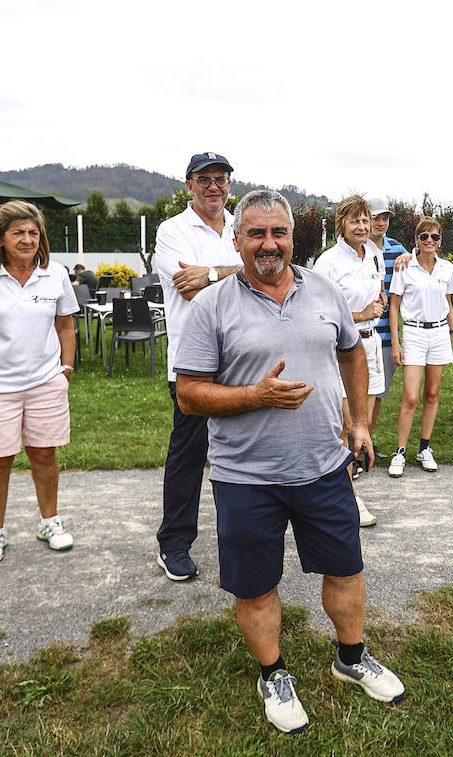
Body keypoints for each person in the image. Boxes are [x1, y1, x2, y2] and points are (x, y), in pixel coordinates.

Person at [174, 189, 405, 735]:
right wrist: (255, 396)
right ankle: (273, 673)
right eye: (256, 234)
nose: (269, 244)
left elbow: (351, 350)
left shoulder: (322, 290)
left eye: (278, 233)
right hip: (245, 475)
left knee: (346, 569)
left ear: (292, 237)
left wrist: (361, 424)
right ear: (238, 240)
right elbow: (189, 394)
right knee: (255, 585)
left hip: (324, 464)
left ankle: (351, 657)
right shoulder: (212, 306)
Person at [0, 200, 80, 567]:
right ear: (1, 237)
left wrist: (65, 369)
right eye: (18, 232)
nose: (27, 239)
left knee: (44, 454)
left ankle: (50, 522)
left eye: (33, 232)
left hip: (44, 382)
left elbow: (66, 324)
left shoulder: (55, 273)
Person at [153, 151, 244, 581]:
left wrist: (211, 272)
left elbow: (267, 271)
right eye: (203, 179)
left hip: (242, 359)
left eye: (220, 178)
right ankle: (173, 544)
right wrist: (237, 272)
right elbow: (192, 292)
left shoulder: (240, 227)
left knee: (246, 450)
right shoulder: (172, 231)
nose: (213, 186)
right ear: (188, 185)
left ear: (229, 183)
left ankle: (244, 535)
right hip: (194, 363)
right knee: (189, 455)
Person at [312, 195, 387, 526]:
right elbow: (319, 313)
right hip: (341, 350)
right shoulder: (327, 263)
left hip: (371, 345)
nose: (362, 226)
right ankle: (349, 501)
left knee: (363, 426)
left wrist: (378, 305)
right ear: (342, 223)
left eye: (366, 220)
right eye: (355, 220)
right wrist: (361, 314)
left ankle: (340, 487)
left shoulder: (373, 254)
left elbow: (378, 290)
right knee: (345, 426)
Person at [387, 217, 453, 477]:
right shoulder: (404, 267)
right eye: (424, 237)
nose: (430, 241)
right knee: (410, 397)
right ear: (416, 240)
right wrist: (396, 342)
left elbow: (448, 304)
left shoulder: (447, 269)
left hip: (440, 333)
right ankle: (400, 451)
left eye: (435, 237)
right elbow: (394, 306)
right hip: (414, 333)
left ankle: (424, 448)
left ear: (440, 240)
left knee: (432, 394)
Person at [366, 198, 411, 455]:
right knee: (354, 395)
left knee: (378, 393)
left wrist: (410, 254)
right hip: (359, 332)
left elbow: (421, 260)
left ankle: (366, 445)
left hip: (385, 334)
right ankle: (352, 446)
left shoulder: (396, 249)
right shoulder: (357, 248)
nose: (381, 223)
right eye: (375, 218)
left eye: (385, 218)